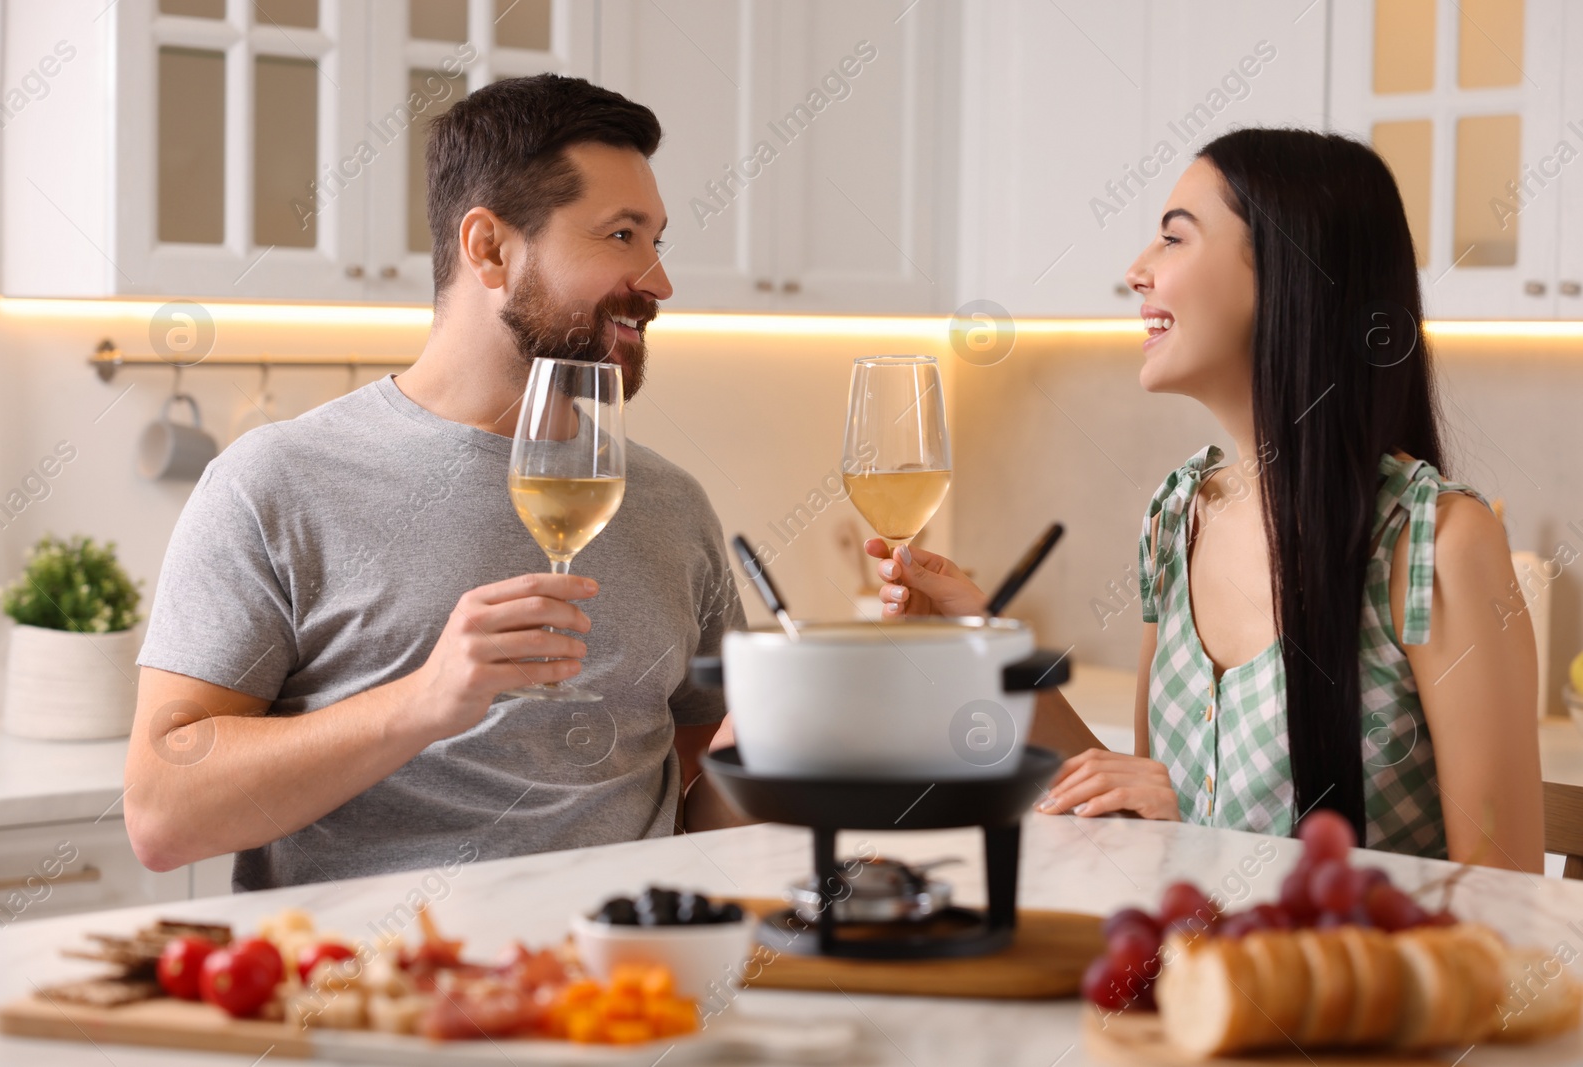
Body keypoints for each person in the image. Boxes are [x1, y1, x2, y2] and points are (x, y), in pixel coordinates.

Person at [124, 74, 749, 891]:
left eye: (656, 240)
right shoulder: (274, 483)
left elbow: (699, 821)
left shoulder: (670, 504)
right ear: (488, 247)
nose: (659, 280)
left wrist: (778, 745)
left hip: (621, 1000)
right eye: (622, 235)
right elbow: (163, 813)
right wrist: (423, 702)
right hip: (367, 1000)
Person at [871, 128, 1543, 871]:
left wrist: (1194, 835)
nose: (1136, 270)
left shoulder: (1436, 544)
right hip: (1194, 981)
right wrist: (985, 636)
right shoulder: (1177, 517)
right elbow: (1137, 794)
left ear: (1288, 268)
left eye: (1173, 240)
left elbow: (1501, 910)